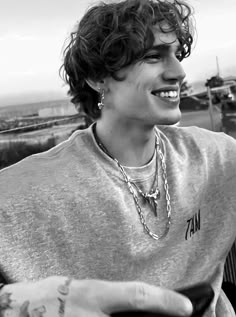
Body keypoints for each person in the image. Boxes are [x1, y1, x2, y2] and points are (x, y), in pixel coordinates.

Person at [0, 0, 235, 316]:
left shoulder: (216, 157)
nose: (179, 72)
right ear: (98, 78)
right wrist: (8, 304)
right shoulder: (29, 191)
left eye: (177, 55)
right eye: (153, 56)